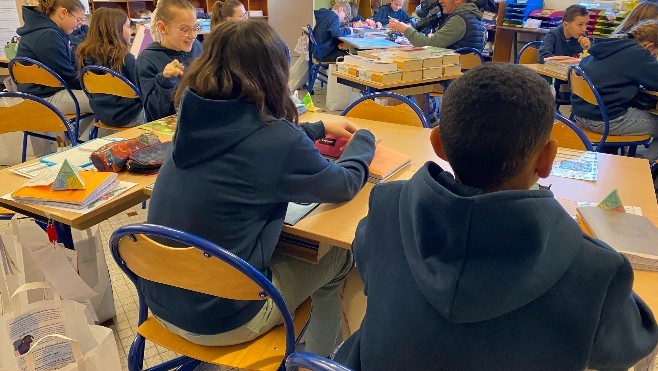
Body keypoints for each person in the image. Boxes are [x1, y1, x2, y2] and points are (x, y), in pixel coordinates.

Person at [334, 62, 658, 370]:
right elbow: (633, 342)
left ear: (438, 144)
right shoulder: (596, 270)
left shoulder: (387, 208)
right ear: (547, 159)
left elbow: (367, 259)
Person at [146, 20, 377, 357]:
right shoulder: (275, 142)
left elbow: (254, 137)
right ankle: (320, 359)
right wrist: (364, 141)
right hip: (225, 319)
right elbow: (343, 184)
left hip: (161, 302)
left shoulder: (193, 117)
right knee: (338, 256)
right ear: (272, 73)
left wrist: (312, 128)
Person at [572, 19, 658, 161]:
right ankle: (646, 171)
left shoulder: (611, 45)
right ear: (649, 46)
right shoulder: (638, 54)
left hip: (581, 114)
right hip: (605, 120)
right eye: (655, 54)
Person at [15, 0, 92, 115]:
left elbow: (71, 64)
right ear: (63, 13)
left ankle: (79, 133)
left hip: (43, 93)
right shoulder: (49, 36)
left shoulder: (52, 32)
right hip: (43, 98)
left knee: (104, 103)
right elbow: (68, 78)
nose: (80, 25)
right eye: (78, 19)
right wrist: (97, 85)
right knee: (111, 103)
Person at [76, 8, 145, 128]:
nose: (132, 31)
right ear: (116, 30)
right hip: (131, 117)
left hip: (104, 116)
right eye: (129, 27)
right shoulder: (125, 58)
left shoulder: (84, 55)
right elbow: (143, 91)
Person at [136, 0, 202, 121]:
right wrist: (165, 80)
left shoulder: (197, 47)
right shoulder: (147, 60)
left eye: (195, 28)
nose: (193, 35)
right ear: (162, 28)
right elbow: (156, 113)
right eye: (185, 29)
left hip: (200, 120)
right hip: (170, 130)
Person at [388, 0, 484, 50]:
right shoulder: (469, 15)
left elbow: (429, 45)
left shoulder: (459, 19)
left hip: (454, 78)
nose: (440, 1)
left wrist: (405, 29)